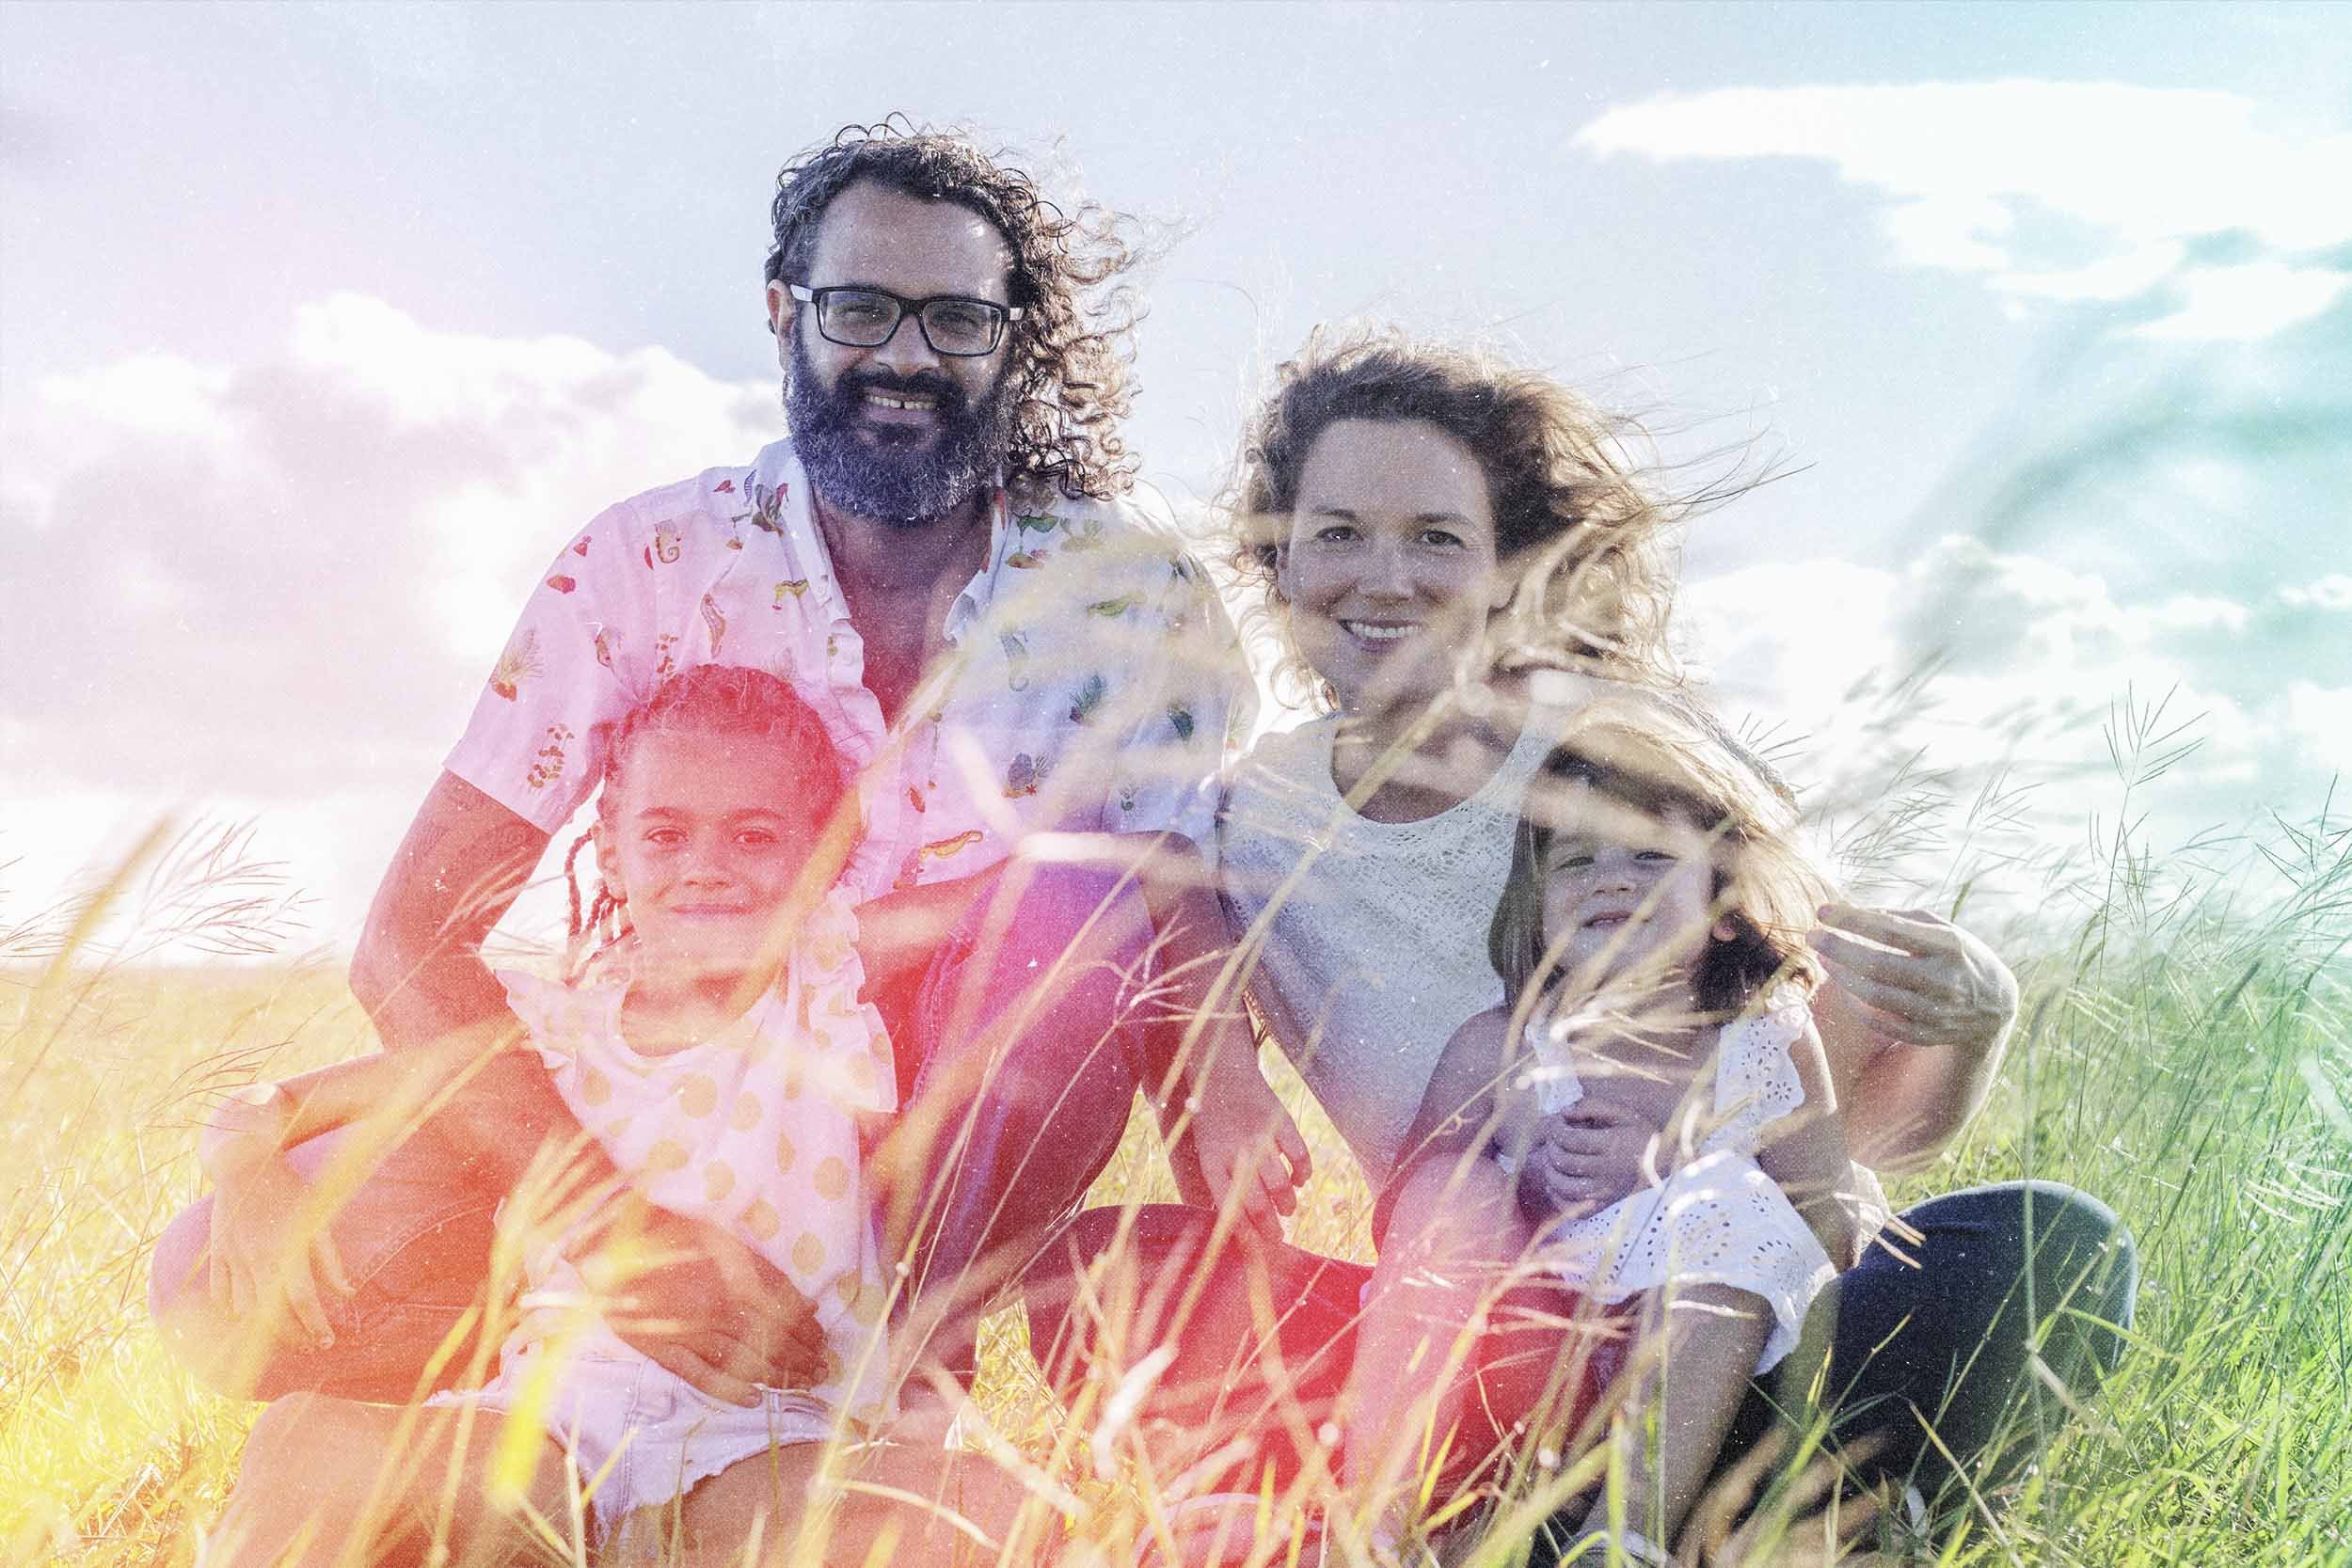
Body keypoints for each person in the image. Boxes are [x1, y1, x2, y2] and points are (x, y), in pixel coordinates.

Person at [151, 120, 1295, 1415]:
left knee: (1071, 909)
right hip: (648, 1110)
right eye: (860, 307)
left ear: (1012, 336)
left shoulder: (1130, 592)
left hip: (937, 1150)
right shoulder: (645, 563)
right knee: (213, 1271)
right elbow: (412, 936)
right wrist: (619, 1226)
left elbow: (1170, 886)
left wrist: (1228, 1085)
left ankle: (898, 1366)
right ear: (782, 312)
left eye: (956, 320)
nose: (906, 357)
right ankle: (567, 1432)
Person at [1025, 329, 2136, 1559]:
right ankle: (1624, 1530)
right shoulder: (1256, 816)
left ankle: (1691, 1517)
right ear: (1280, 563)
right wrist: (1222, 1069)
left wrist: (1970, 1025)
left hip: (1730, 1304)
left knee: (2050, 1244)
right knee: (1101, 1272)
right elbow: (1148, 893)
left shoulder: (1635, 759)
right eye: (1336, 532)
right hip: (1475, 1347)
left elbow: (1832, 1103)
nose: (1380, 575)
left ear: (1511, 568)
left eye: (1436, 537)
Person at [199, 666, 1027, 1565]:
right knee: (301, 1441)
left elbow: (1023, 900)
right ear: (608, 848)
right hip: (548, 1436)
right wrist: (248, 1175)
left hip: (766, 1443)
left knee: (986, 1508)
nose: (705, 867)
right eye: (665, 835)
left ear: (824, 850)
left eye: (754, 836)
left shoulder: (828, 975)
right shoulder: (546, 1029)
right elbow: (266, 1108)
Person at [1344, 709, 1858, 1564]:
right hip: (1526, 1360)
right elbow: (1399, 1210)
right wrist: (1523, 1192)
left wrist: (1675, 1170)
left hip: (1705, 1375)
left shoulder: (1763, 1041)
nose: (1611, 879)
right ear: (1537, 909)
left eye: (1650, 855)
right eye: (1577, 860)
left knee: (1721, 1203)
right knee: (1449, 1187)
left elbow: (1832, 1226)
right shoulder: (1503, 1044)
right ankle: (1373, 1519)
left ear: (1727, 907)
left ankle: (1622, 1536)